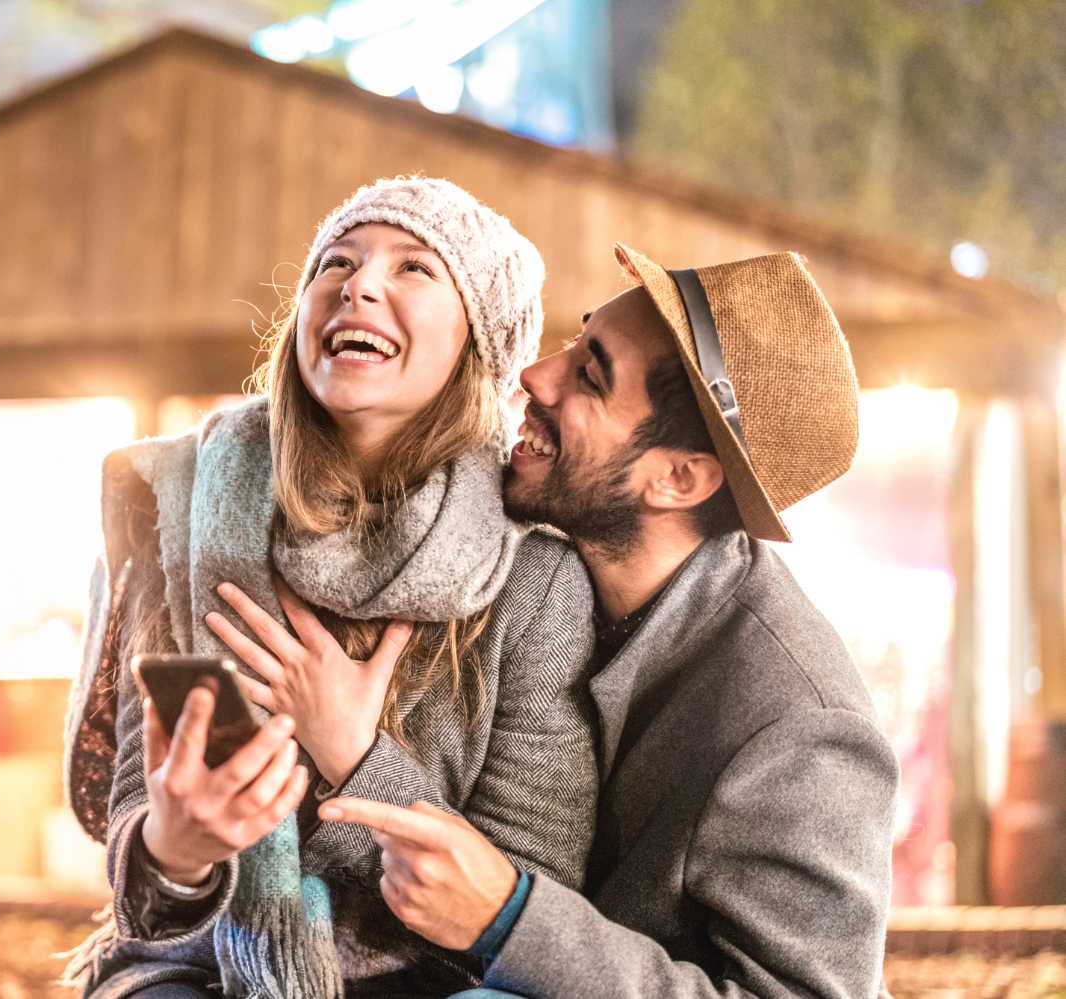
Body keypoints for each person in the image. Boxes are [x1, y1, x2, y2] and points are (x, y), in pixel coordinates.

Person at [62, 177, 598, 998]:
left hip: (431, 978)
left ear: (480, 343)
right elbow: (143, 895)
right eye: (337, 262)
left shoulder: (537, 579)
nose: (360, 283)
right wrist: (177, 844)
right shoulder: (189, 507)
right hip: (201, 964)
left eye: (415, 268)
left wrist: (357, 758)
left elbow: (523, 902)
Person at [320, 244, 901, 997]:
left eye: (589, 375)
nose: (537, 375)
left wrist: (511, 918)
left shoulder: (801, 726)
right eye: (575, 339)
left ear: (677, 478)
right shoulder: (523, 577)